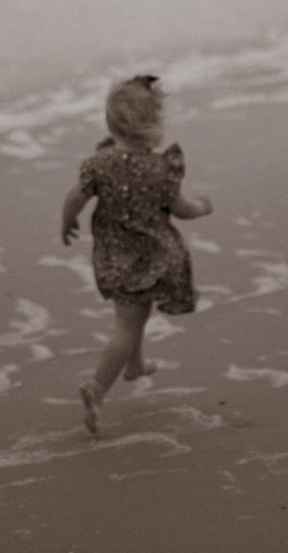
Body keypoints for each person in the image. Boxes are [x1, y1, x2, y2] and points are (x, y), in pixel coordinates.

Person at [61, 74, 213, 434]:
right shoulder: (161, 169)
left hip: (113, 256)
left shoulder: (99, 164)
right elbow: (181, 209)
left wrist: (66, 222)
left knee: (133, 313)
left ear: (111, 123)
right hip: (150, 259)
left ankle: (136, 366)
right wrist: (204, 207)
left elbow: (75, 198)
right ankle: (97, 387)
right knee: (127, 327)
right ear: (154, 125)